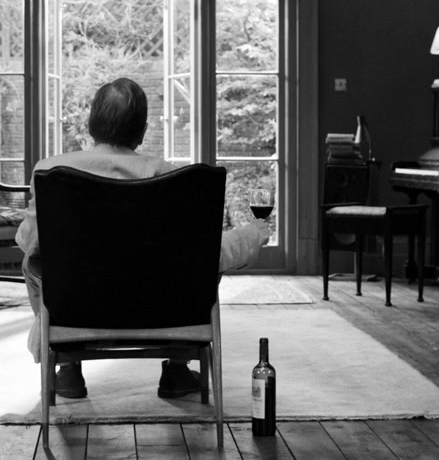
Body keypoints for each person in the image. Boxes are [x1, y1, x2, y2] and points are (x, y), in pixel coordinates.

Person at [15, 77, 271, 400]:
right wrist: (252, 234)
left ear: (91, 124)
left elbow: (28, 242)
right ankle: (177, 367)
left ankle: (67, 364)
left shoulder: (52, 172)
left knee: (34, 263)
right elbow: (209, 254)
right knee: (200, 266)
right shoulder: (175, 179)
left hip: (77, 310)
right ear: (143, 130)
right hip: (163, 312)